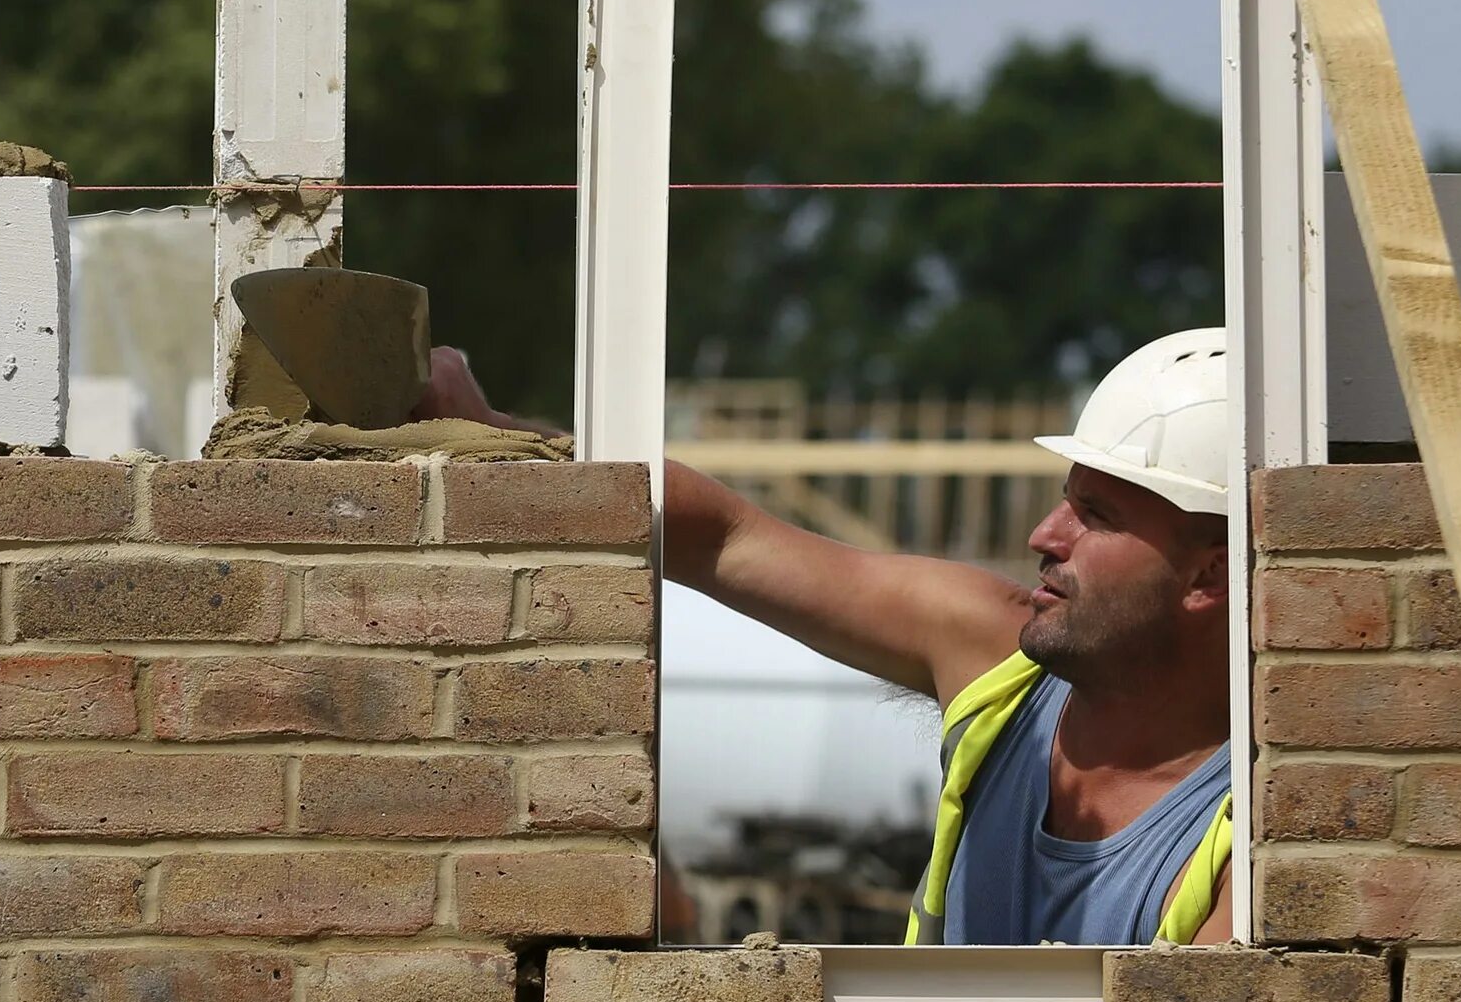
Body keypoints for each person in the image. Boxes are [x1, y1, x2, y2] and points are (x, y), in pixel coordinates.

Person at [422, 328, 1235, 945]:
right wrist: (492, 435)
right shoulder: (999, 654)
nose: (1044, 533)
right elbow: (724, 539)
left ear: (1209, 575)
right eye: (1067, 499)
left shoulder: (1248, 842)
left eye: (1097, 517)